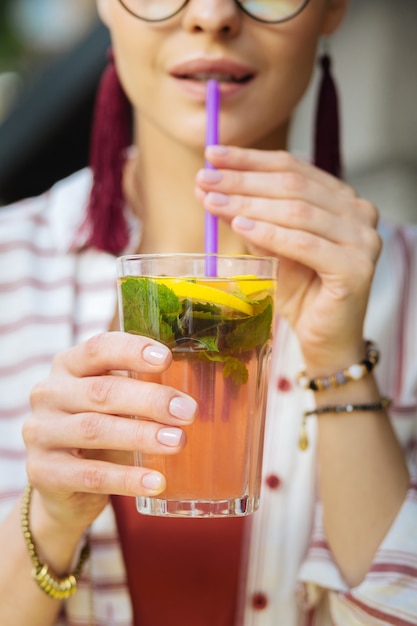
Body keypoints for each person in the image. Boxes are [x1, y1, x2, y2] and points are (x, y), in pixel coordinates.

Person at [0, 0, 416, 624]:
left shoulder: (405, 287)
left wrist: (340, 364)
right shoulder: (9, 265)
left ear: (333, 9)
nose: (215, 15)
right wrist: (51, 517)